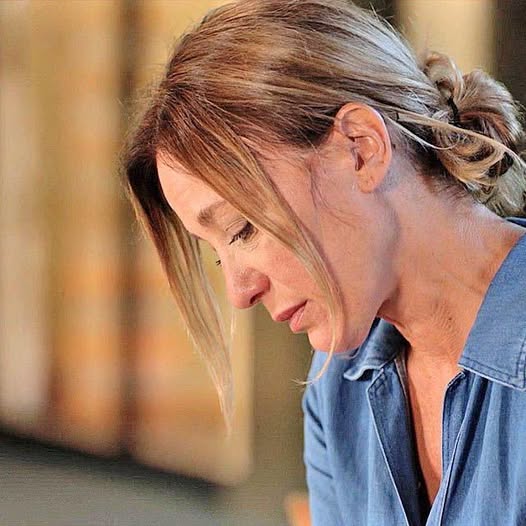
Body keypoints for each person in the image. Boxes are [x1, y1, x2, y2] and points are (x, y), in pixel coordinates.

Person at [122, 0, 526, 524]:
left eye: (242, 228)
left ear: (361, 148)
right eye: (218, 257)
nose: (240, 293)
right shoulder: (338, 385)